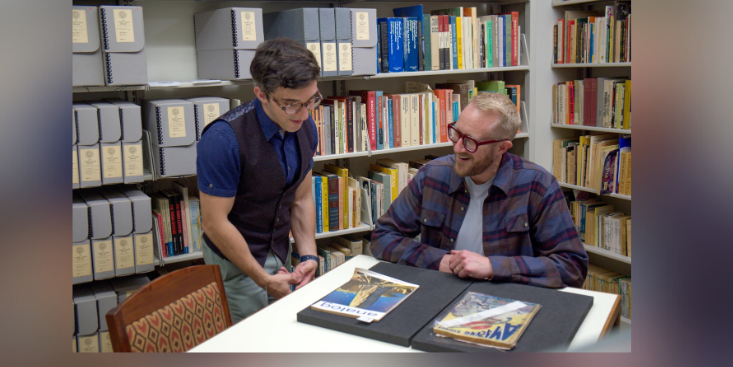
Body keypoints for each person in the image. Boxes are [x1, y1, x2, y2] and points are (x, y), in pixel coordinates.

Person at [370, 93, 588, 288]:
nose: (457, 148)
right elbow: (382, 237)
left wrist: (493, 267)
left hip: (508, 303)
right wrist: (440, 261)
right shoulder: (433, 176)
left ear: (502, 148)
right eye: (457, 133)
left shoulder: (538, 186)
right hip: (439, 293)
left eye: (471, 142)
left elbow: (572, 266)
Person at [197, 38, 323, 323]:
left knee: (284, 331)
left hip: (279, 249)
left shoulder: (305, 126)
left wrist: (309, 256)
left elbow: (301, 199)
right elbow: (215, 223)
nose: (304, 114)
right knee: (251, 344)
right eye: (291, 105)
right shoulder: (222, 139)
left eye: (311, 101)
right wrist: (262, 278)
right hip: (235, 260)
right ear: (262, 94)